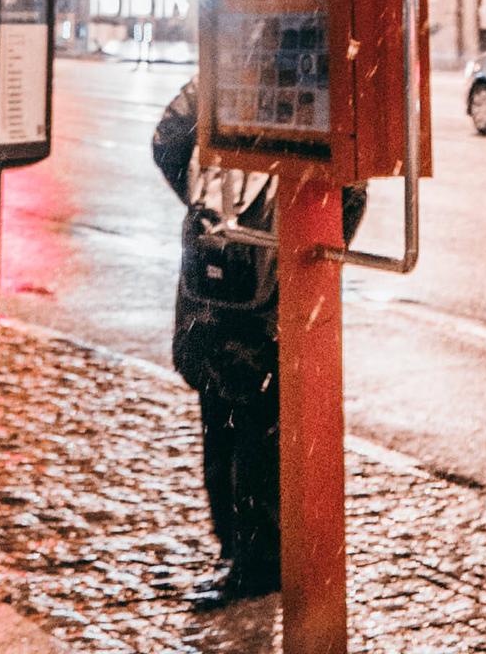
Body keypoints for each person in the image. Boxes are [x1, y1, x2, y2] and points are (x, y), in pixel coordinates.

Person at [152, 77, 364, 611]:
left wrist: (209, 202)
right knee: (247, 426)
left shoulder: (228, 84)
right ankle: (249, 557)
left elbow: (168, 137)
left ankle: (252, 560)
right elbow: (351, 194)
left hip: (230, 280)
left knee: (235, 426)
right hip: (256, 284)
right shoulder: (305, 85)